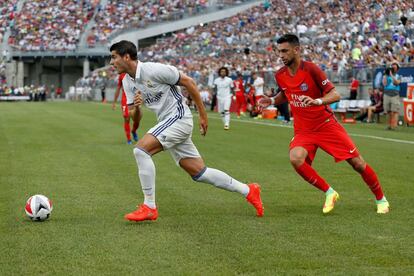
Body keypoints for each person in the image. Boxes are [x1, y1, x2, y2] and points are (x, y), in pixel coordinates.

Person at [109, 40, 263, 221]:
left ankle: (149, 206)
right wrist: (137, 108)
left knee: (140, 150)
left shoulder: (154, 70)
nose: (112, 62)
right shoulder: (128, 81)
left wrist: (203, 114)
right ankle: (248, 190)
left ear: (126, 57)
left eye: (114, 57)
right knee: (199, 173)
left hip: (179, 117)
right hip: (167, 122)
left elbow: (188, 82)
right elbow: (135, 116)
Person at [259, 34, 389, 214]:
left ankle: (381, 199)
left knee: (357, 164)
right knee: (296, 158)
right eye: (279, 51)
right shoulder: (280, 75)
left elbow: (335, 94)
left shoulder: (311, 69)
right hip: (303, 129)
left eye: (285, 51)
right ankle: (330, 192)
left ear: (296, 50)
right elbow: (286, 94)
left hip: (325, 125)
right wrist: (272, 101)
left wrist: (317, 101)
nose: (281, 55)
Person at [112, 72, 139, 144]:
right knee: (127, 118)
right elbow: (118, 88)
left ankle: (133, 131)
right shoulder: (122, 75)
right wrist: (114, 102)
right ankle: (129, 139)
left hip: (135, 97)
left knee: (136, 119)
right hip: (125, 98)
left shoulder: (135, 71)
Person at [382, 63, 401, 130]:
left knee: (395, 111)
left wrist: (391, 75)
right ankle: (389, 125)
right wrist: (385, 75)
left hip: (395, 95)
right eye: (392, 67)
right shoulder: (386, 76)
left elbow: (396, 83)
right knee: (388, 111)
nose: (393, 69)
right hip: (387, 94)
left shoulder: (399, 76)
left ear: (397, 69)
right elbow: (384, 84)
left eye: (395, 68)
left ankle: (395, 125)